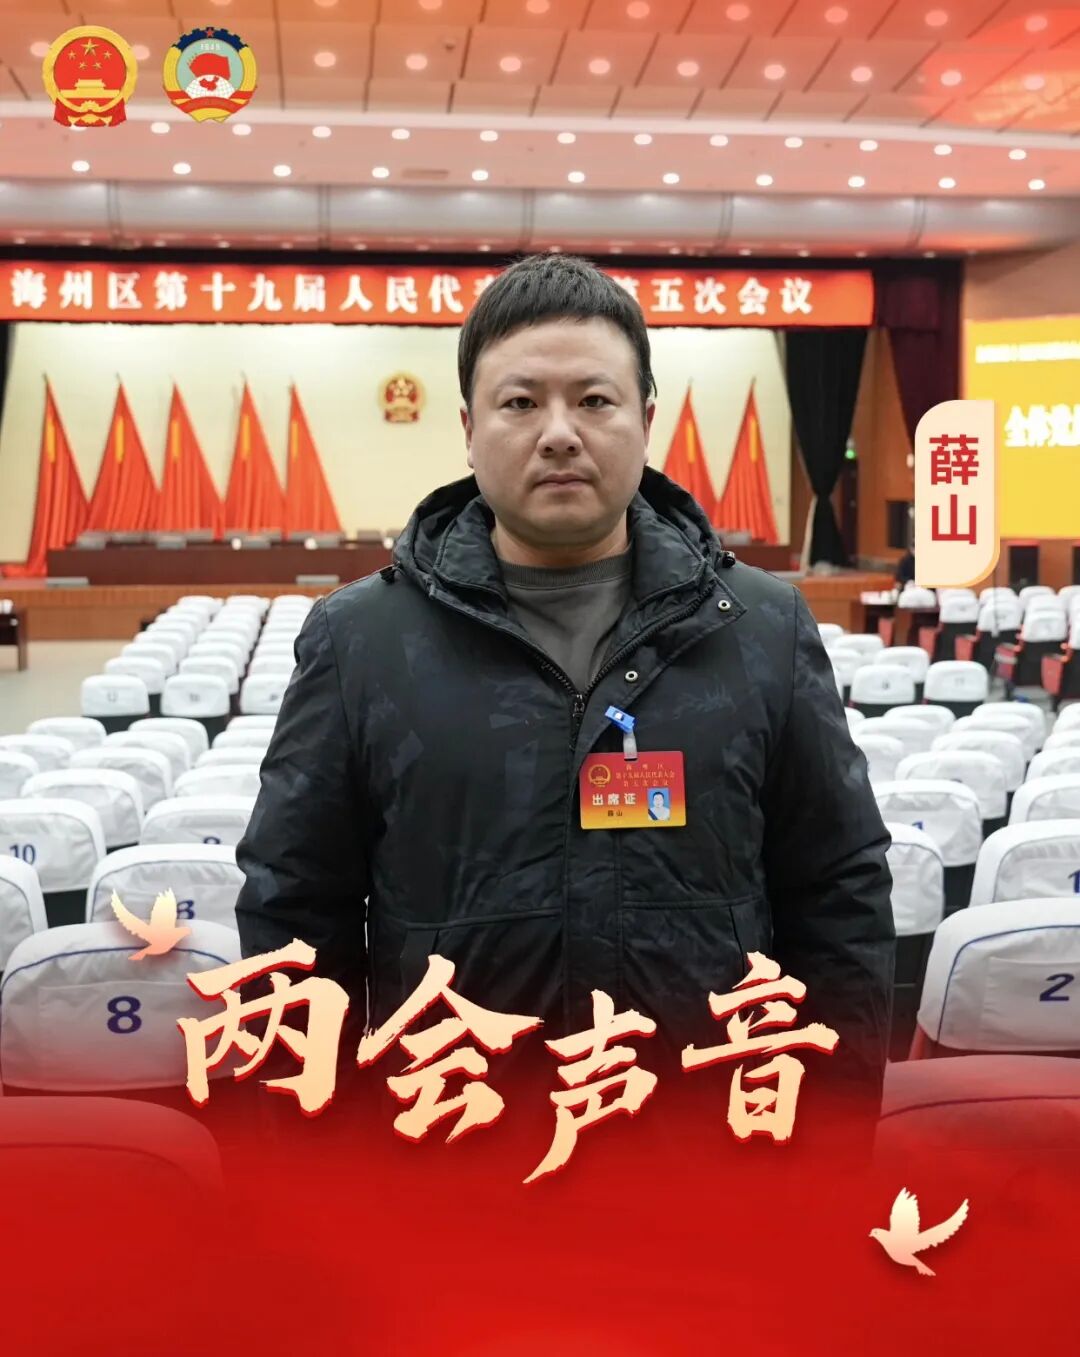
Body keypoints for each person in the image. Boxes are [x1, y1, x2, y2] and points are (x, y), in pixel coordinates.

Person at [235, 253, 894, 1129]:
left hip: (709, 1140)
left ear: (645, 420)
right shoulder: (362, 642)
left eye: (593, 400)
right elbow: (294, 914)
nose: (559, 433)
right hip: (449, 1137)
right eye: (520, 403)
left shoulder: (759, 628)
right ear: (469, 428)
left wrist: (832, 1134)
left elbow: (838, 891)